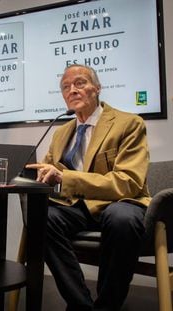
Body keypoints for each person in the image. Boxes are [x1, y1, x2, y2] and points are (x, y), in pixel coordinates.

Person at [26, 64, 151, 311]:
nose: (72, 90)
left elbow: (128, 182)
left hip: (119, 203)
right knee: (41, 216)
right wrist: (37, 174)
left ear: (97, 88)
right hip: (77, 207)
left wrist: (64, 177)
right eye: (65, 87)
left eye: (80, 83)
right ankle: (81, 304)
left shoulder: (129, 124)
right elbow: (51, 171)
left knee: (121, 218)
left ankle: (107, 305)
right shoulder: (61, 131)